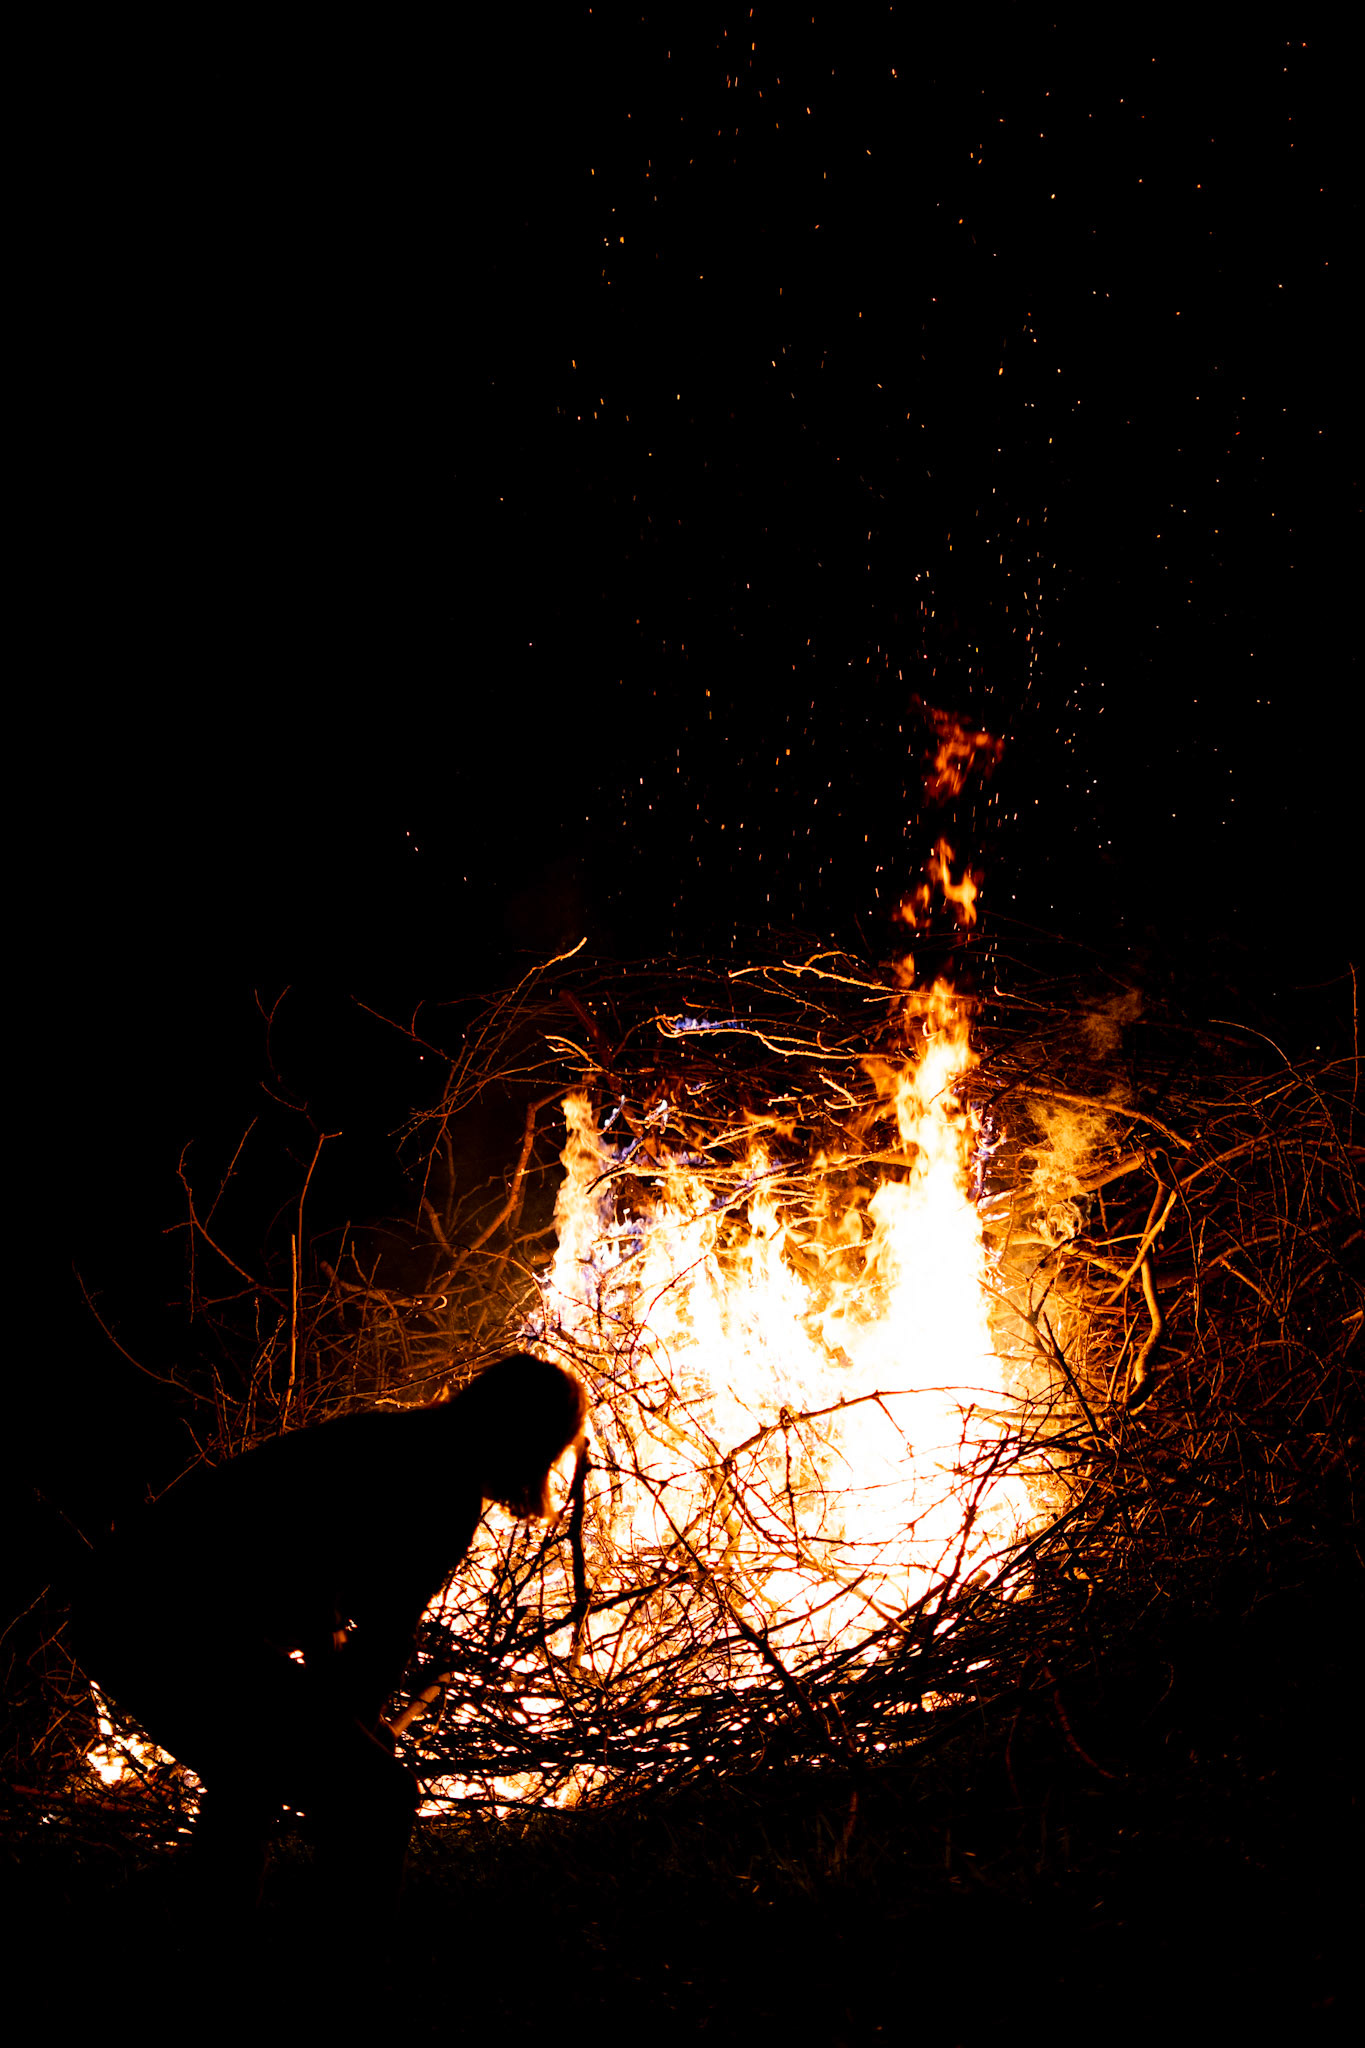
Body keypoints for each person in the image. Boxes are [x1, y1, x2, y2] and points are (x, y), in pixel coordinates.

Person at [72, 1352, 589, 1921]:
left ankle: (213, 1947)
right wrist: (348, 1725)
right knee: (379, 1800)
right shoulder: (439, 1482)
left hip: (123, 1607)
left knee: (252, 1772)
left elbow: (375, 1636)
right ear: (525, 1439)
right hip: (161, 1619)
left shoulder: (404, 1439)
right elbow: (319, 1587)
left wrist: (353, 1721)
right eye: (550, 1452)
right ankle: (338, 1969)